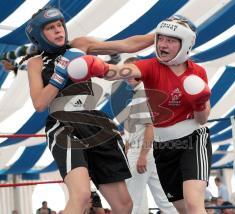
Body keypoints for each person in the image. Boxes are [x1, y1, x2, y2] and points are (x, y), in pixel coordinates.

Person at [70, 15, 212, 214]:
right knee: (181, 209)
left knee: (193, 204)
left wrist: (199, 102)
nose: (162, 44)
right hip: (163, 146)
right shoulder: (150, 66)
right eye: (160, 38)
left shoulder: (197, 72)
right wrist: (96, 67)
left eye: (170, 40)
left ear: (185, 44)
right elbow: (120, 71)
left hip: (193, 140)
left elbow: (202, 119)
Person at [24, 7, 154, 214]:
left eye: (59, 25)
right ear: (39, 36)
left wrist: (162, 35)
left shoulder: (79, 45)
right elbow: (39, 104)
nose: (58, 30)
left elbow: (127, 45)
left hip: (95, 123)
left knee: (124, 205)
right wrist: (60, 75)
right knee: (82, 196)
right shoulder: (35, 63)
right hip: (63, 124)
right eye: (50, 28)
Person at [123, 57, 178, 214]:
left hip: (142, 150)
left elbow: (150, 127)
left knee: (134, 199)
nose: (126, 76)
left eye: (129, 72)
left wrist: (142, 155)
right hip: (146, 150)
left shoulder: (143, 94)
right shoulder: (143, 93)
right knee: (163, 199)